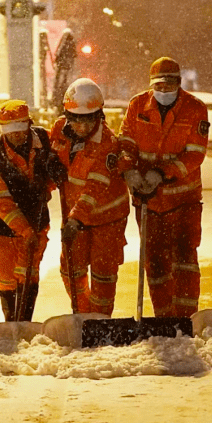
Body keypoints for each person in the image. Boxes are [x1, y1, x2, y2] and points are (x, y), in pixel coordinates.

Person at [117, 57, 210, 318]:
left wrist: (162, 174)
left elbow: (195, 154)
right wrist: (129, 169)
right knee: (155, 263)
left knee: (184, 261)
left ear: (179, 84)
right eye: (159, 86)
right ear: (151, 85)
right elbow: (126, 141)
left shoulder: (195, 109)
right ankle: (163, 318)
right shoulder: (137, 105)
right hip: (149, 201)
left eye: (170, 86)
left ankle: (186, 317)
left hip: (184, 201)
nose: (164, 91)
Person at [47, 78, 130, 315]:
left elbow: (94, 188)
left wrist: (74, 219)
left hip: (107, 218)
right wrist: (51, 166)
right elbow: (56, 159)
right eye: (76, 119)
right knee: (70, 270)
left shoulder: (107, 144)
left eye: (88, 119)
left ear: (99, 116)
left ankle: (100, 320)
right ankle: (83, 315)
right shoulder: (59, 129)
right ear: (67, 116)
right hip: (75, 217)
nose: (82, 126)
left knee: (103, 275)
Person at [0, 100, 54, 321]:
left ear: (29, 124)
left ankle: (25, 321)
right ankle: (11, 320)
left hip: (37, 220)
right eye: (8, 130)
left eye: (19, 128)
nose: (15, 135)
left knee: (29, 274)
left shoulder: (43, 140)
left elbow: (53, 170)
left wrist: (50, 180)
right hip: (2, 226)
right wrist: (24, 230)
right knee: (7, 275)